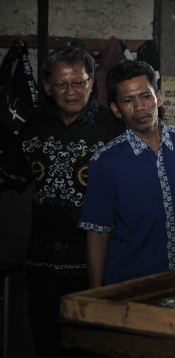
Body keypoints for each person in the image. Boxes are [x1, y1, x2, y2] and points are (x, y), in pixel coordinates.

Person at [0, 46, 125, 356]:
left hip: (97, 265)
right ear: (46, 87)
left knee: (93, 346)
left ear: (93, 83)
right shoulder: (33, 127)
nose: (71, 91)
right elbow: (9, 174)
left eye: (79, 82)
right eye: (61, 84)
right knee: (47, 343)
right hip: (42, 263)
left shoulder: (113, 128)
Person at [78, 61, 175, 287]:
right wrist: (96, 296)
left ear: (159, 98)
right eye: (128, 100)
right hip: (132, 287)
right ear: (116, 109)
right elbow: (97, 234)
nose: (140, 107)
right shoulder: (106, 162)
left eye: (146, 96)